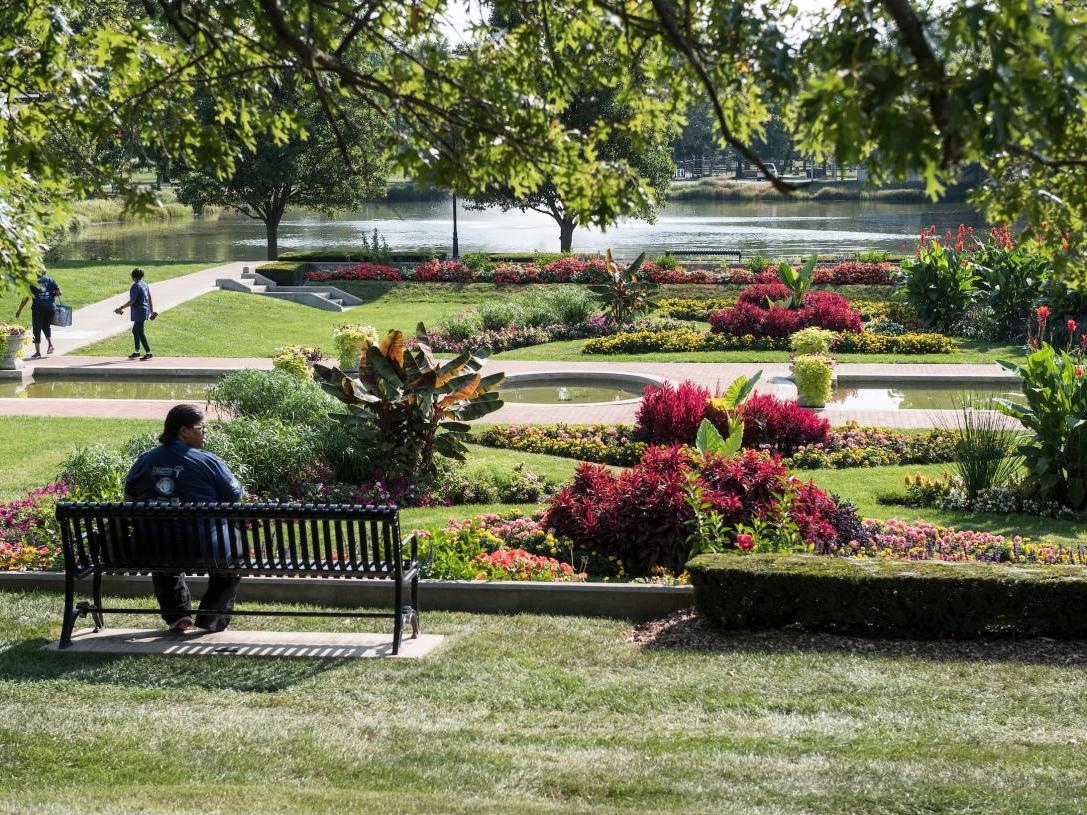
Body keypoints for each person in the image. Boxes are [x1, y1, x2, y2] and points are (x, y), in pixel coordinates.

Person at [124, 404, 245, 633]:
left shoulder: (145, 460)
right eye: (201, 427)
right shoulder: (208, 462)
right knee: (233, 551)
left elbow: (129, 497)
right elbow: (234, 496)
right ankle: (212, 618)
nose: (205, 432)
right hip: (204, 546)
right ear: (184, 431)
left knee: (162, 544)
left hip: (152, 547)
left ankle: (177, 615)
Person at [14, 271, 62, 359]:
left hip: (38, 308)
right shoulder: (51, 280)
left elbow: (26, 298)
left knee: (36, 328)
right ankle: (50, 345)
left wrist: (19, 310)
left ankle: (37, 353)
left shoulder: (31, 283)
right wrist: (50, 294)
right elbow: (59, 292)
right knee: (46, 326)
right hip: (50, 308)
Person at [113, 267, 157, 360]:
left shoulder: (135, 286)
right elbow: (149, 298)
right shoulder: (144, 284)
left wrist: (120, 308)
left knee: (140, 332)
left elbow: (132, 301)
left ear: (133, 276)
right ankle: (137, 352)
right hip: (144, 310)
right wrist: (152, 311)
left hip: (139, 312)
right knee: (135, 331)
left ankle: (149, 352)